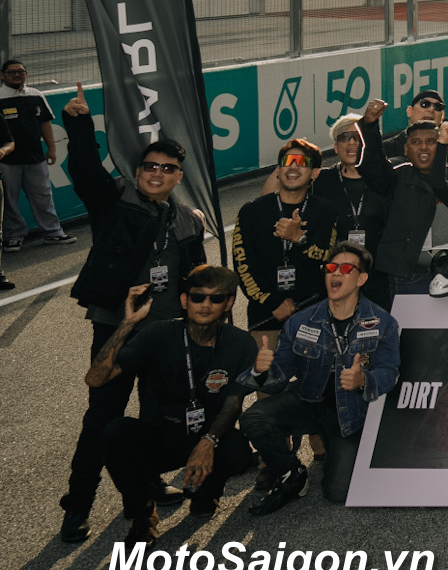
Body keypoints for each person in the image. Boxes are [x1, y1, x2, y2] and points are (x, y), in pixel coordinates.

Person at [57, 89, 209, 543]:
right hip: (117, 330)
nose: (157, 174)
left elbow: (197, 279)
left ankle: (143, 488)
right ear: (138, 171)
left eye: (167, 168)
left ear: (178, 176)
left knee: (155, 420)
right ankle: (77, 505)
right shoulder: (115, 199)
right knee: (101, 419)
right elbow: (85, 172)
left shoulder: (188, 219)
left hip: (167, 336)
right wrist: (79, 126)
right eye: (150, 166)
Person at [87, 267, 258, 542]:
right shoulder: (157, 333)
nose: (205, 304)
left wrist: (208, 442)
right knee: (114, 434)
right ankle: (143, 513)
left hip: (208, 435)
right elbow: (95, 378)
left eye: (216, 298)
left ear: (228, 303)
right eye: (197, 297)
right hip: (161, 434)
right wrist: (127, 323)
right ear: (184, 300)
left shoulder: (241, 343)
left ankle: (207, 492)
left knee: (237, 451)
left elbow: (233, 404)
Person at [243, 241, 401, 514]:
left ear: (361, 279)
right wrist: (261, 370)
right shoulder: (300, 321)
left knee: (337, 492)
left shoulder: (382, 322)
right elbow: (280, 378)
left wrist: (364, 381)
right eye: (330, 268)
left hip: (348, 413)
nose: (335, 273)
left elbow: (390, 373)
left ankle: (336, 449)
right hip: (307, 399)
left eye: (346, 269)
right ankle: (292, 473)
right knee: (253, 419)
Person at [353, 111, 448, 305]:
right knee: (408, 326)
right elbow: (372, 167)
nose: (423, 147)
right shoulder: (396, 176)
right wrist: (370, 126)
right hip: (407, 277)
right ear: (406, 150)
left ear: (443, 145)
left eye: (431, 141)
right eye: (416, 142)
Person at [234, 139, 336, 338]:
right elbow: (243, 266)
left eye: (302, 162)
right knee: (265, 359)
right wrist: (273, 303)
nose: (294, 167)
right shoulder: (251, 211)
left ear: (314, 173)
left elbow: (327, 256)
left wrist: (300, 238)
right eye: (288, 161)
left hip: (312, 310)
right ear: (278, 170)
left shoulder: (326, 211)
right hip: (266, 311)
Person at [1, 57, 69, 249]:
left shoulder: (36, 95)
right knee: (9, 201)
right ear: (2, 76)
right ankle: (13, 236)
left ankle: (53, 232)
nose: (17, 75)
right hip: (6, 161)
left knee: (43, 196)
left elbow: (45, 123)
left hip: (35, 157)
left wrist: (52, 148)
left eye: (21, 71)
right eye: (12, 72)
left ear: (26, 74)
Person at [312, 113, 390, 257]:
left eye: (358, 137)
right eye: (345, 137)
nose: (352, 142)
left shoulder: (383, 178)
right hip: (335, 265)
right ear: (336, 147)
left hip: (378, 264)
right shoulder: (321, 179)